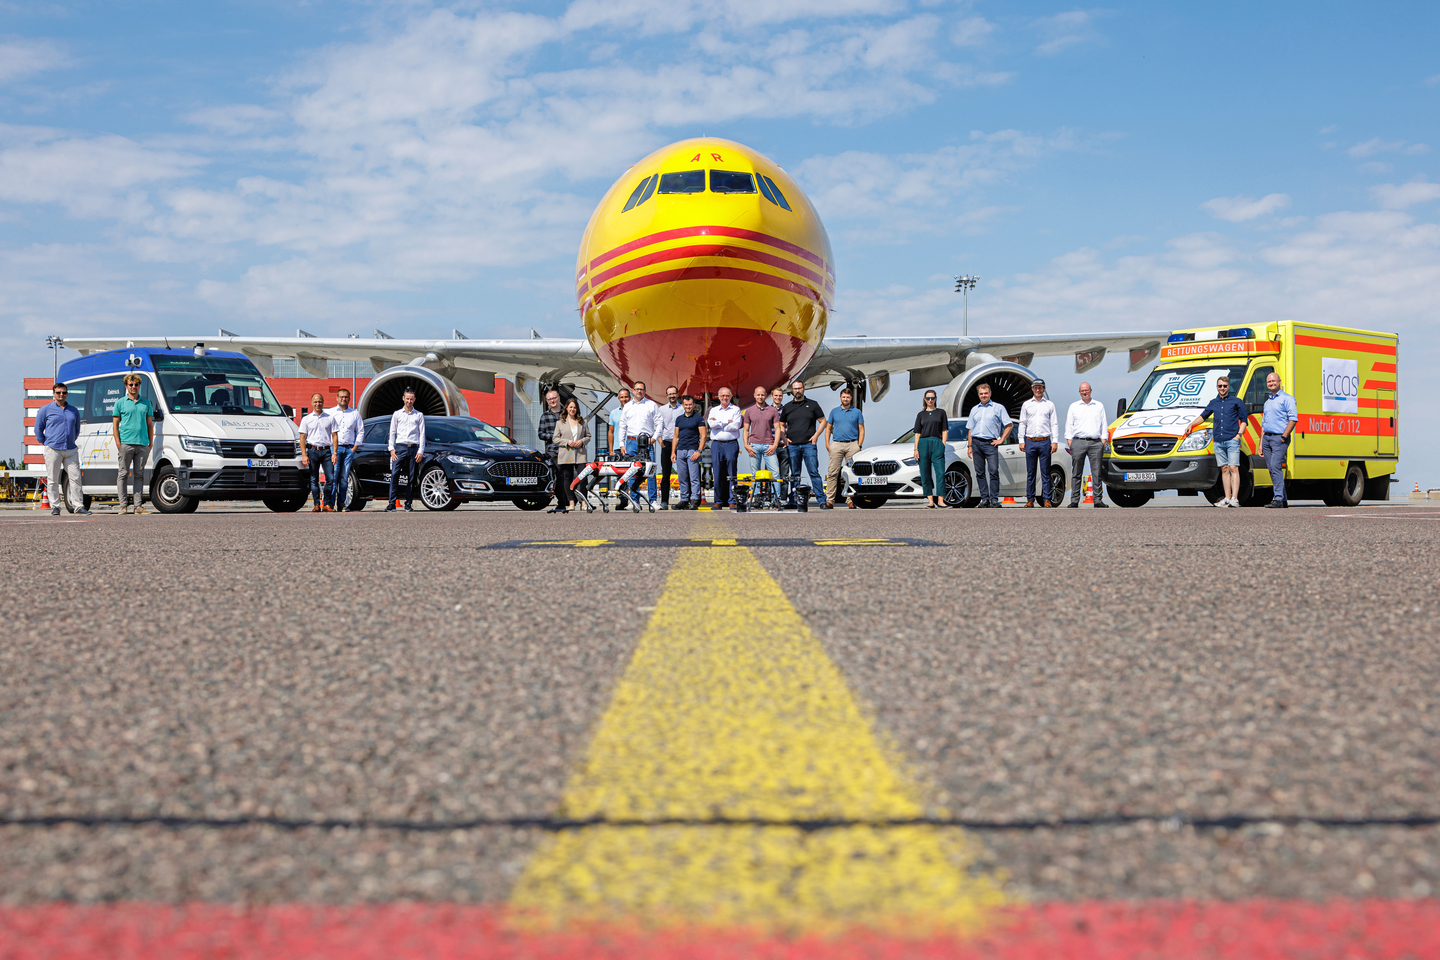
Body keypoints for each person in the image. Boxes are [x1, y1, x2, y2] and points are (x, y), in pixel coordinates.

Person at [1187, 375, 1248, 507]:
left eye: (1225, 386)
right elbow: (1203, 416)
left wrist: (1238, 435)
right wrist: (1191, 425)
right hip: (1219, 441)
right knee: (1224, 469)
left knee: (1233, 468)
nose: (1222, 388)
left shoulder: (1236, 401)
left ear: (1228, 387)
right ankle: (1226, 498)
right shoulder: (1213, 403)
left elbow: (1244, 420)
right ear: (1217, 387)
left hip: (1232, 440)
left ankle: (1235, 499)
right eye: (1220, 386)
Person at [35, 382, 88, 516]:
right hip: (53, 449)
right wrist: (45, 442)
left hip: (70, 449)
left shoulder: (73, 410)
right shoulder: (45, 410)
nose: (61, 395)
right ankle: (55, 507)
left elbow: (76, 429)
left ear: (67, 394)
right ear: (53, 394)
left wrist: (71, 440)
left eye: (64, 392)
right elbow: (38, 429)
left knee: (75, 478)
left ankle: (78, 506)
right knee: (52, 479)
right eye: (58, 392)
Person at [778, 380, 828, 508]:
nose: (797, 391)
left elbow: (823, 421)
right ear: (792, 390)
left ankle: (821, 500)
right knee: (795, 475)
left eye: (799, 388)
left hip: (808, 445)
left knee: (813, 472)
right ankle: (794, 501)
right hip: (793, 446)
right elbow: (781, 424)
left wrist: (816, 435)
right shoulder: (787, 407)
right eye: (795, 389)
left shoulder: (812, 404)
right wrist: (784, 437)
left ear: (804, 389)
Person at [111, 372, 154, 515]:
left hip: (142, 444)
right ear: (126, 386)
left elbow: (149, 425)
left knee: (139, 475)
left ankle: (138, 507)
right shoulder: (119, 403)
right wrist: (118, 443)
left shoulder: (146, 403)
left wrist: (150, 442)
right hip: (126, 444)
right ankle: (123, 506)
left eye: (136, 384)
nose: (134, 387)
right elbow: (115, 425)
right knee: (122, 474)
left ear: (139, 386)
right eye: (131, 384)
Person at [965, 383, 1013, 508]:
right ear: (978, 395)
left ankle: (994, 499)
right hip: (976, 443)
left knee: (993, 471)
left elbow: (1009, 425)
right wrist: (969, 446)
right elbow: (970, 429)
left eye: (986, 393)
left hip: (990, 443)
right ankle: (984, 499)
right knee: (979, 472)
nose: (983, 395)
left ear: (990, 394)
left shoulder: (998, 408)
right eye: (981, 394)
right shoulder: (974, 409)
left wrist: (1001, 439)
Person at [1064, 381, 1109, 508]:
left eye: (1086, 390)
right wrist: (1069, 441)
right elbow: (1069, 425)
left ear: (1091, 390)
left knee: (1097, 472)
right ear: (1079, 392)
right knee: (1076, 472)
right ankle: (1074, 500)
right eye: (1082, 391)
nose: (1084, 392)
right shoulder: (1074, 406)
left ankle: (1098, 500)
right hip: (1078, 442)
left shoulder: (1098, 406)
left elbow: (1103, 424)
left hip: (1095, 442)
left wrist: (1103, 440)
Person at [1018, 379, 1060, 508]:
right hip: (1030, 441)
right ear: (1032, 389)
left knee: (1045, 472)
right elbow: (1022, 423)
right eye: (1035, 387)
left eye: (1040, 388)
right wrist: (1021, 440)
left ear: (1044, 388)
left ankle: (1046, 499)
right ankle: (1030, 499)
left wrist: (1055, 441)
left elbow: (1054, 423)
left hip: (1044, 441)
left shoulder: (1050, 405)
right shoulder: (1026, 405)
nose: (1038, 390)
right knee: (1030, 472)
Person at [618, 380, 661, 503]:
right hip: (631, 442)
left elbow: (659, 423)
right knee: (632, 471)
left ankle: (653, 500)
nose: (639, 391)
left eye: (641, 389)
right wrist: (621, 444)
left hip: (647, 442)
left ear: (645, 391)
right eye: (637, 389)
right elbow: (622, 426)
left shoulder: (651, 405)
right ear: (632, 391)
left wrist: (654, 438)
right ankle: (634, 501)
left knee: (650, 471)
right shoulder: (627, 406)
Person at [1261, 371, 1298, 508]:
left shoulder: (1287, 399)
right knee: (1272, 469)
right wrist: (1261, 444)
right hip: (1267, 438)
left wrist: (1284, 436)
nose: (1271, 383)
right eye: (1269, 382)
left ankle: (1277, 499)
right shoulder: (1267, 402)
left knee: (1276, 467)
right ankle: (1283, 499)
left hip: (1279, 438)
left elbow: (1293, 419)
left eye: (1273, 381)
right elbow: (1263, 424)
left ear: (1279, 382)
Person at [825, 387, 865, 509]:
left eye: (848, 397)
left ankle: (850, 500)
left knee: (852, 473)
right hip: (837, 444)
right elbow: (828, 429)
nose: (845, 399)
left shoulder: (857, 412)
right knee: (833, 473)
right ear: (840, 397)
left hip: (852, 444)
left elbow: (861, 429)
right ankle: (830, 500)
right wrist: (828, 444)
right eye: (843, 397)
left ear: (851, 398)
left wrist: (859, 445)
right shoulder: (834, 411)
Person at [387, 386, 425, 512]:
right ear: (403, 398)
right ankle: (392, 503)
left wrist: (420, 451)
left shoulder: (419, 415)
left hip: (413, 448)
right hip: (400, 447)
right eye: (407, 399)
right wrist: (391, 449)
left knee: (412, 477)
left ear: (414, 399)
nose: (409, 401)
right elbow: (392, 432)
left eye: (411, 399)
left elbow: (422, 434)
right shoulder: (397, 414)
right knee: (394, 475)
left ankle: (408, 504)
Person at [551, 397, 590, 514]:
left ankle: (583, 502)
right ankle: (571, 502)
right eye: (570, 407)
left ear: (577, 409)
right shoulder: (560, 423)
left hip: (580, 454)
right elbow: (555, 439)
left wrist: (582, 441)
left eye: (574, 407)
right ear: (567, 408)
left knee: (582, 478)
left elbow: (588, 436)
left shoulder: (583, 422)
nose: (572, 409)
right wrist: (567, 442)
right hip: (566, 454)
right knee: (567, 479)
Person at [299, 393, 338, 512]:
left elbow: (335, 435)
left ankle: (327, 504)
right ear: (311, 403)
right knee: (313, 479)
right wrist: (304, 455)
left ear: (323, 402)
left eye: (320, 401)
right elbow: (302, 437)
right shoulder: (306, 419)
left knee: (330, 479)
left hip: (326, 451)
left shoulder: (330, 417)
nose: (318, 404)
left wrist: (334, 453)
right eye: (315, 402)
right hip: (312, 451)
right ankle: (316, 504)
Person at [327, 387, 364, 511]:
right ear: (337, 398)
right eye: (341, 396)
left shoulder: (355, 413)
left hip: (349, 449)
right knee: (333, 477)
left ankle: (341, 504)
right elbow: (326, 430)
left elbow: (360, 431)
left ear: (349, 398)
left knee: (344, 478)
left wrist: (354, 448)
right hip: (335, 450)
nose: (343, 399)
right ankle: (330, 504)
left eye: (346, 397)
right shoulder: (331, 413)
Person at [707, 387, 744, 510]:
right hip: (717, 444)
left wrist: (720, 424)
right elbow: (711, 424)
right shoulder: (713, 410)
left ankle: (732, 500)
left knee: (732, 472)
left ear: (731, 396)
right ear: (718, 397)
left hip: (731, 443)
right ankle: (718, 501)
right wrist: (727, 422)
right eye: (722, 396)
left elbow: (736, 425)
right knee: (717, 472)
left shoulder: (736, 409)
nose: (725, 398)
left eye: (727, 396)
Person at [671, 394, 707, 509]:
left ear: (694, 405)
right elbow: (676, 437)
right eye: (686, 405)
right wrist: (673, 452)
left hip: (692, 450)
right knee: (682, 477)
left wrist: (699, 451)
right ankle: (684, 499)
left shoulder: (698, 418)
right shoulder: (679, 419)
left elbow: (704, 435)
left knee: (694, 477)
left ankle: (695, 500)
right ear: (682, 405)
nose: (688, 407)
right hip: (680, 450)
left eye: (690, 405)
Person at [912, 390, 947, 508]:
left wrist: (942, 444)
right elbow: (917, 433)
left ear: (936, 399)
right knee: (925, 473)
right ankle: (930, 501)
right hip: (923, 443)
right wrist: (916, 449)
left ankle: (941, 500)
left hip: (937, 442)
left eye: (932, 398)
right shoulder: (920, 415)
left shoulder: (941, 413)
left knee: (941, 472)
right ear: (924, 399)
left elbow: (944, 430)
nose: (930, 400)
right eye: (928, 398)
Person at [743, 385, 780, 476]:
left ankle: (775, 491)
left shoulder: (773, 410)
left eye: (762, 395)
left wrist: (775, 445)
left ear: (766, 395)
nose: (760, 397)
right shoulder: (749, 411)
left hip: (769, 445)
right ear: (754, 395)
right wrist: (746, 445)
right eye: (758, 395)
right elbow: (746, 430)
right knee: (755, 474)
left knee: (775, 473)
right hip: (754, 445)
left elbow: (778, 428)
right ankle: (756, 491)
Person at [656, 385, 681, 509]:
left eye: (674, 393)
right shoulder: (661, 410)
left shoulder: (683, 409)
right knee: (666, 474)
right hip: (666, 443)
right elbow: (657, 426)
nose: (672, 396)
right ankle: (664, 501)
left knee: (683, 473)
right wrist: (660, 441)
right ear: (667, 396)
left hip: (680, 444)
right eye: (670, 394)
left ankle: (685, 500)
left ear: (677, 394)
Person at [538, 388, 564, 504]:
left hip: (567, 449)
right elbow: (540, 434)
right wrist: (554, 436)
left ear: (558, 398)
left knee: (569, 476)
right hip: (553, 450)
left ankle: (572, 500)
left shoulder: (566, 414)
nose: (552, 401)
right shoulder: (544, 416)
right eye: (549, 399)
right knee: (558, 476)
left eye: (553, 398)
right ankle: (562, 500)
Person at [607, 388, 630, 456]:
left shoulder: (634, 411)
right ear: (619, 399)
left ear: (630, 397)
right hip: (617, 448)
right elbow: (611, 432)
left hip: (631, 447)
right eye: (622, 397)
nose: (624, 399)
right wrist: (611, 450)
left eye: (626, 397)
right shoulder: (613, 413)